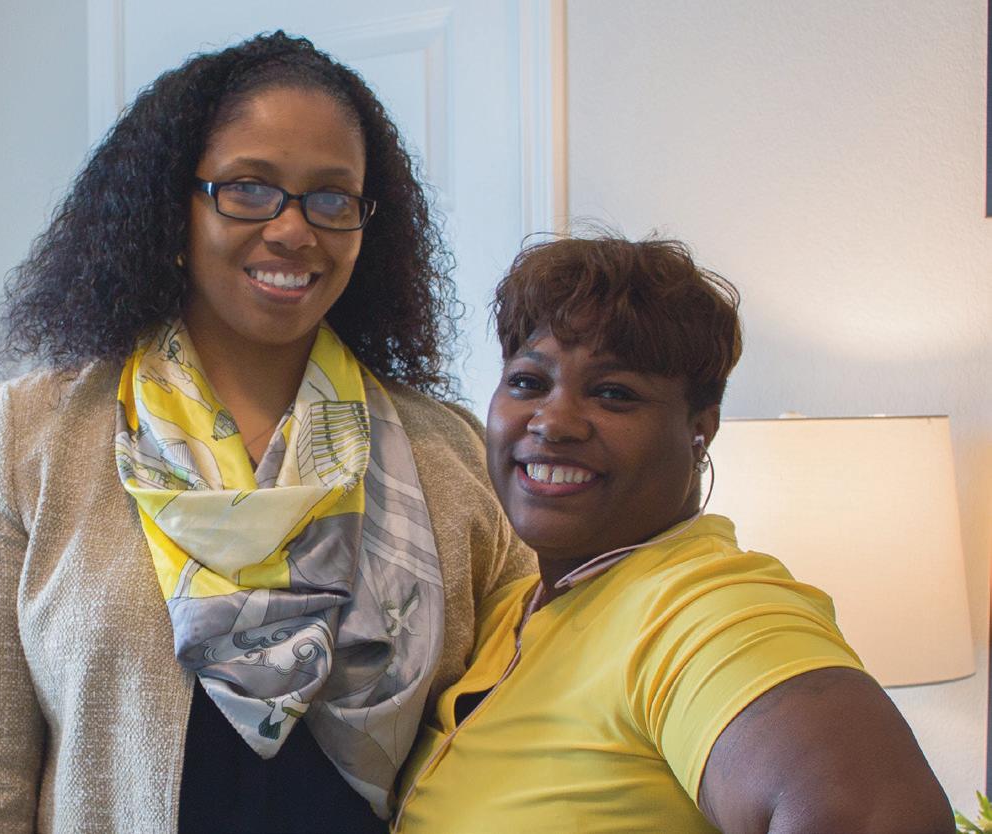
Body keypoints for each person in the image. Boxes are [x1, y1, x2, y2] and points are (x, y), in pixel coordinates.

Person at [0, 32, 532, 833]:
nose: (293, 229)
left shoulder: (452, 457)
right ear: (172, 207)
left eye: (331, 198)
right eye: (248, 188)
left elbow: (522, 743)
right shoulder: (30, 440)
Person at [393, 235, 953, 833]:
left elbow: (871, 816)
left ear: (699, 429)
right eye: (529, 382)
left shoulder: (707, 607)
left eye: (614, 393)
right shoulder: (509, 609)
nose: (553, 422)